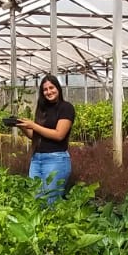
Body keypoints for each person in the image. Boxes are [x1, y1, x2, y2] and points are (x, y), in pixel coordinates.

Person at [17, 74, 75, 204]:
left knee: (51, 201)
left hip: (56, 159)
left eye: (51, 88)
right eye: (45, 89)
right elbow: (35, 136)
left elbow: (59, 135)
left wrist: (34, 125)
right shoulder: (42, 109)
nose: (49, 92)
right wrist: (23, 126)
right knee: (36, 200)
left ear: (58, 88)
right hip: (37, 159)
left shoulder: (66, 108)